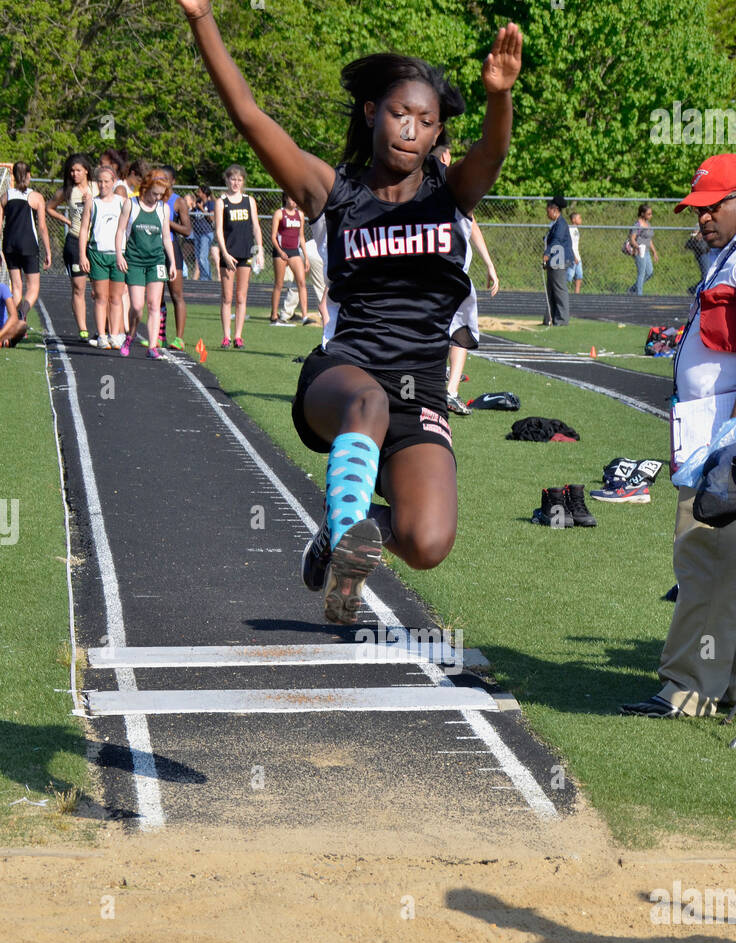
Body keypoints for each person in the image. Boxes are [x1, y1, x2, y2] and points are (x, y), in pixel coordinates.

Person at [177, 0, 522, 624]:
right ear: (371, 113)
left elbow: (492, 156)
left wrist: (499, 97)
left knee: (427, 541)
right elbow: (250, 117)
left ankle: (340, 536)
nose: (412, 129)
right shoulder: (333, 193)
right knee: (367, 404)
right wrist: (203, 18)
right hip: (343, 375)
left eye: (427, 120)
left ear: (439, 132)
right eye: (399, 113)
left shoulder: (452, 195)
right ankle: (347, 549)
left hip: (420, 388)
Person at [621, 153, 736, 719]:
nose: (701, 217)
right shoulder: (735, 251)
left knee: (706, 553)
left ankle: (686, 688)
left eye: (712, 206)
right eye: (697, 208)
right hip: (716, 425)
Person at [431, 137, 499, 415]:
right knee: (461, 331)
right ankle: (449, 392)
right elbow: (471, 225)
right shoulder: (452, 184)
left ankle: (413, 389)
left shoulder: (412, 184)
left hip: (422, 272)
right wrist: (490, 265)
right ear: (445, 158)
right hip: (451, 273)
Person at [115, 166, 177, 359]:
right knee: (137, 306)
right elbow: (120, 232)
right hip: (134, 260)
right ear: (146, 188)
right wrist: (119, 254)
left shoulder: (163, 209)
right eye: (154, 193)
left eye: (161, 195)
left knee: (154, 305)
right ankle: (130, 336)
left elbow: (166, 237)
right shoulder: (130, 205)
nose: (157, 198)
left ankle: (152, 346)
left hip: (156, 261)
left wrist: (172, 262)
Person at [46, 154, 98, 339]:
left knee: (99, 289)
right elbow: (48, 207)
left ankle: (104, 328)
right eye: (72, 171)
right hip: (75, 242)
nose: (74, 174)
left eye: (78, 170)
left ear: (86, 170)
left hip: (96, 243)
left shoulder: (97, 187)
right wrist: (65, 220)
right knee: (78, 287)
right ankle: (83, 329)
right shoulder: (67, 191)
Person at [214, 163, 264, 348]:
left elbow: (256, 227)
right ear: (226, 180)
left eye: (239, 180)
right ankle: (226, 336)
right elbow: (218, 231)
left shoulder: (249, 201)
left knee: (241, 296)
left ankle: (238, 336)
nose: (235, 183)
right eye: (232, 179)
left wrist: (259, 250)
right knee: (227, 297)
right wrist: (225, 254)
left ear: (243, 182)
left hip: (245, 252)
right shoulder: (221, 202)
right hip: (229, 254)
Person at [78, 164, 127, 348]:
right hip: (97, 254)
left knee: (116, 297)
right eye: (100, 181)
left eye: (106, 181)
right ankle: (102, 335)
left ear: (114, 182)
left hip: (118, 255)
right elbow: (84, 230)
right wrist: (82, 255)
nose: (103, 185)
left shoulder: (122, 201)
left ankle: (115, 335)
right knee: (100, 297)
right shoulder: (92, 202)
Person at [0, 162, 52, 319]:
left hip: (9, 245)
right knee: (33, 288)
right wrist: (48, 252)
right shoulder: (36, 197)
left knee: (16, 287)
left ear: (13, 176)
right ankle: (21, 314)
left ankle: (14, 323)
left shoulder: (5, 196)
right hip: (28, 245)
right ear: (29, 175)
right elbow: (42, 227)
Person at [278, 214, 330, 326]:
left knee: (298, 284)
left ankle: (286, 314)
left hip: (305, 250)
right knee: (322, 285)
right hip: (314, 255)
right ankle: (324, 316)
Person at [159, 165, 190, 348]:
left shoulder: (178, 202)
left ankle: (179, 338)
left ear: (173, 181)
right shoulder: (152, 198)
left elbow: (187, 230)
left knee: (176, 294)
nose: (162, 182)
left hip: (172, 249)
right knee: (156, 297)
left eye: (166, 179)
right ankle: (159, 335)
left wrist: (167, 222)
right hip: (155, 249)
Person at [269, 193, 310, 324]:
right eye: (292, 198)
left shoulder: (300, 215)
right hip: (281, 251)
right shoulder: (279, 213)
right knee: (279, 284)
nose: (294, 201)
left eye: (296, 199)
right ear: (286, 198)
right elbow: (273, 236)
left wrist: (306, 257)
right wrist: (280, 252)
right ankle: (274, 315)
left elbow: (302, 237)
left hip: (294, 251)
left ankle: (305, 316)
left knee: (302, 282)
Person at [542, 195, 573, 326]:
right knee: (551, 289)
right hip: (554, 261)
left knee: (559, 290)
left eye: (548, 210)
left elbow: (557, 241)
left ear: (554, 210)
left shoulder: (561, 224)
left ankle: (561, 318)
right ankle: (550, 317)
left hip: (560, 260)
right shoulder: (555, 224)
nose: (547, 213)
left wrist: (547, 253)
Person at [627, 202, 658, 295]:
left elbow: (649, 240)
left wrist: (654, 252)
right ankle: (639, 295)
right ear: (642, 213)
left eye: (651, 213)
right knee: (641, 273)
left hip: (647, 251)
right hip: (639, 251)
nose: (650, 215)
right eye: (648, 214)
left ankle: (633, 289)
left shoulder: (648, 224)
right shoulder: (637, 225)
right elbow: (632, 239)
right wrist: (637, 247)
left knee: (649, 272)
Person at [191, 184, 216, 280]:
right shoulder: (198, 203)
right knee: (198, 257)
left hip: (206, 233)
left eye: (199, 192)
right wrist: (193, 208)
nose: (198, 194)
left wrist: (202, 209)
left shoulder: (210, 204)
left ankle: (206, 278)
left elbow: (212, 218)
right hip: (197, 232)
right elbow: (193, 216)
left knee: (203, 256)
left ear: (204, 193)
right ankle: (203, 276)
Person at [0, 281, 28, 347]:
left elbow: (14, 317)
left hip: (3, 330)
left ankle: (5, 341)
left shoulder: (3, 288)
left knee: (22, 325)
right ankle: (4, 342)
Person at [566, 211, 583, 293]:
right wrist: (573, 256)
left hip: (578, 257)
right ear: (573, 219)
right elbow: (569, 244)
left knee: (579, 276)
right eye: (579, 218)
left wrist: (578, 257)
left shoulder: (576, 229)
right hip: (572, 257)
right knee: (569, 277)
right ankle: (560, 292)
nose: (581, 220)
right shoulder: (570, 229)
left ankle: (577, 295)